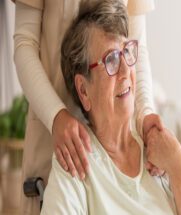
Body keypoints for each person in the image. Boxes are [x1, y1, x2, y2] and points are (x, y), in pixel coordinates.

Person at [41, 1, 181, 214]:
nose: (126, 70)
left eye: (126, 52)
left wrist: (178, 162)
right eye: (111, 59)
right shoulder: (76, 161)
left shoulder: (160, 152)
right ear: (84, 90)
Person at [13, 0, 162, 213]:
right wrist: (55, 116)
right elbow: (24, 45)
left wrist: (145, 114)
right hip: (54, 134)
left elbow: (136, 42)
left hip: (117, 133)